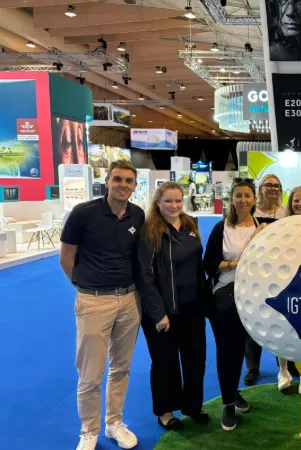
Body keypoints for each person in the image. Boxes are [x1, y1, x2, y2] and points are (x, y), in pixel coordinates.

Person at [59, 160, 145, 450]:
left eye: (129, 181)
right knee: (90, 374)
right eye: (118, 179)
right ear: (106, 181)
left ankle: (114, 422)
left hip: (129, 300)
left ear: (134, 186)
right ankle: (89, 430)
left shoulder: (137, 214)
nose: (123, 185)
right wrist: (84, 288)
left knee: (121, 367)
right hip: (93, 300)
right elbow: (66, 258)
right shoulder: (83, 213)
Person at [137, 182, 208, 431]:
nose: (174, 205)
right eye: (168, 201)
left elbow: (197, 264)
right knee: (164, 362)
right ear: (158, 202)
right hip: (163, 311)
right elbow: (144, 275)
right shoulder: (150, 231)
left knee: (195, 359)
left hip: (192, 308)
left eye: (178, 200)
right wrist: (159, 313)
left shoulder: (190, 224)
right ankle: (165, 411)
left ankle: (193, 406)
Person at [203, 179, 267, 431]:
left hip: (250, 299)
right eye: (238, 195)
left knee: (240, 348)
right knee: (226, 351)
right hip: (224, 298)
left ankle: (232, 390)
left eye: (247, 195)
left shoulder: (262, 228)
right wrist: (236, 264)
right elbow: (209, 264)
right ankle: (228, 404)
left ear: (254, 199)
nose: (243, 200)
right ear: (232, 199)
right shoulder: (222, 228)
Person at [242, 174, 287, 386]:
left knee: (281, 320)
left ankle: (284, 366)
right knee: (254, 321)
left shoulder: (285, 212)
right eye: (268, 185)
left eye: (277, 185)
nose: (273, 188)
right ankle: (253, 367)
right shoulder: (251, 212)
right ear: (260, 188)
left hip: (280, 273)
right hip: (256, 273)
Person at [276, 186, 301, 393]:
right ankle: (283, 371)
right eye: (296, 201)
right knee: (284, 329)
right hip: (286, 282)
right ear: (290, 204)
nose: (300, 204)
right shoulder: (282, 226)